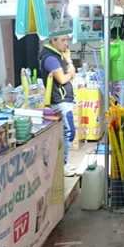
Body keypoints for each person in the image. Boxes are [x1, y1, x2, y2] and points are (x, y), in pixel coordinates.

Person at [39, 35, 76, 165]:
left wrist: (69, 60)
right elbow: (62, 79)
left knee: (67, 133)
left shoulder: (58, 56)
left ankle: (63, 164)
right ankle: (63, 164)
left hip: (64, 100)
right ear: (53, 41)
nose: (66, 43)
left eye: (67, 40)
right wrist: (70, 74)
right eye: (63, 40)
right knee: (69, 132)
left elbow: (72, 73)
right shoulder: (51, 58)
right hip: (60, 101)